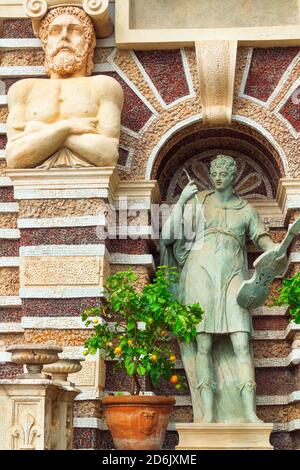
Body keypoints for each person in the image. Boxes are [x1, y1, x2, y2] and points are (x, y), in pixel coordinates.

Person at [161, 155, 282, 423]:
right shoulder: (198, 202)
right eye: (214, 172)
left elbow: (264, 243)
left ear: (233, 176)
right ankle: (207, 414)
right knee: (202, 343)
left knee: (241, 341)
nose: (217, 176)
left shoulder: (246, 209)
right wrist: (181, 201)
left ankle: (250, 413)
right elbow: (168, 236)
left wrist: (279, 251)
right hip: (199, 274)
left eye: (223, 172)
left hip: (232, 276)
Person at [5, 6, 123, 169]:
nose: (64, 37)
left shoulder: (103, 86)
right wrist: (68, 127)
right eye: (55, 31)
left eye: (74, 30)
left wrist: (42, 133)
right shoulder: (23, 90)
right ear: (45, 43)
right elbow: (15, 157)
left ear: (89, 42)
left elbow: (108, 155)